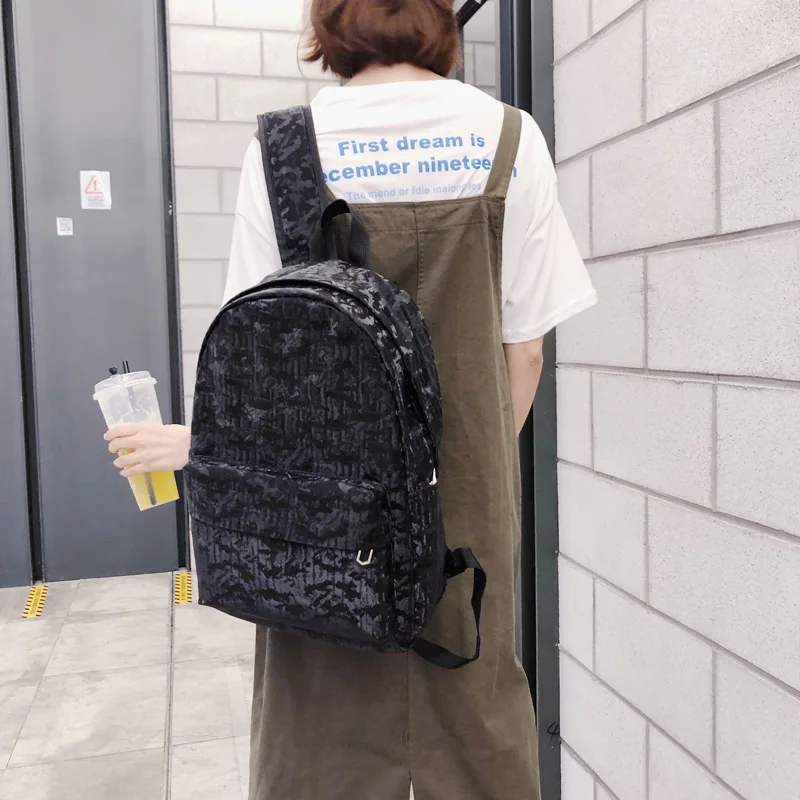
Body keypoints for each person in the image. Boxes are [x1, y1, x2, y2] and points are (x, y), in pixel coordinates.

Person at [106, 1, 597, 797]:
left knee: (318, 723)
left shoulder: (284, 148)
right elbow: (528, 349)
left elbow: (259, 365)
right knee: (473, 703)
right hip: (466, 494)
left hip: (324, 507)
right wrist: (468, 471)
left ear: (329, 20)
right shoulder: (510, 137)